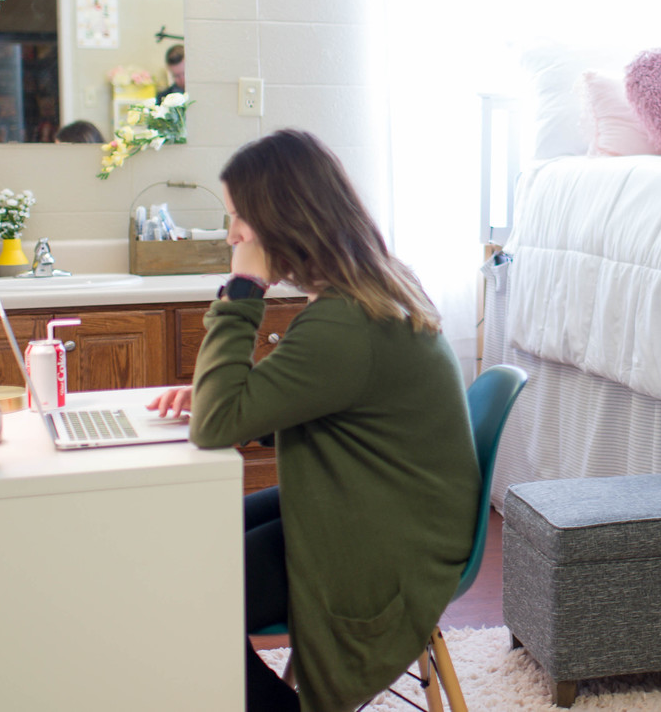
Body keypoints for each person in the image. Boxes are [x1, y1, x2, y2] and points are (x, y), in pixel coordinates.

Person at [147, 129, 479, 712]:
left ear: (281, 219)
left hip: (381, 545)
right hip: (372, 509)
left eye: (239, 222)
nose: (232, 238)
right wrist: (227, 395)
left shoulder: (345, 323)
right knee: (185, 542)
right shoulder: (370, 288)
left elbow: (216, 425)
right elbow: (324, 403)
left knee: (183, 602)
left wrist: (244, 287)